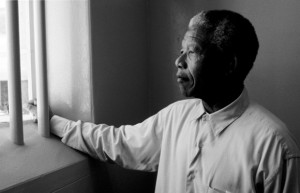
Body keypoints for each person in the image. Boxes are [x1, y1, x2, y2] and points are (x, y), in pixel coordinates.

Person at [28, 10, 300, 193]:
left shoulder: (275, 148)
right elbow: (118, 142)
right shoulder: (176, 117)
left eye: (191, 52)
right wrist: (53, 123)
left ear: (229, 65)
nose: (178, 61)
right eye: (181, 50)